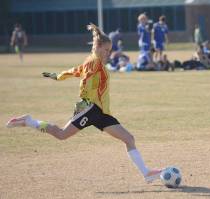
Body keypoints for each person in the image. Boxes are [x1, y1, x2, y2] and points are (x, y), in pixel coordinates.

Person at [6, 23, 162, 183]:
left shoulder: (94, 62)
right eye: (106, 50)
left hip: (102, 112)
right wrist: (84, 100)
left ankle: (147, 173)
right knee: (61, 135)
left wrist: (55, 75)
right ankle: (29, 121)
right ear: (98, 46)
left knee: (129, 139)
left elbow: (74, 71)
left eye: (110, 50)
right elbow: (85, 79)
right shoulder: (94, 62)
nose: (108, 53)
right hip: (90, 109)